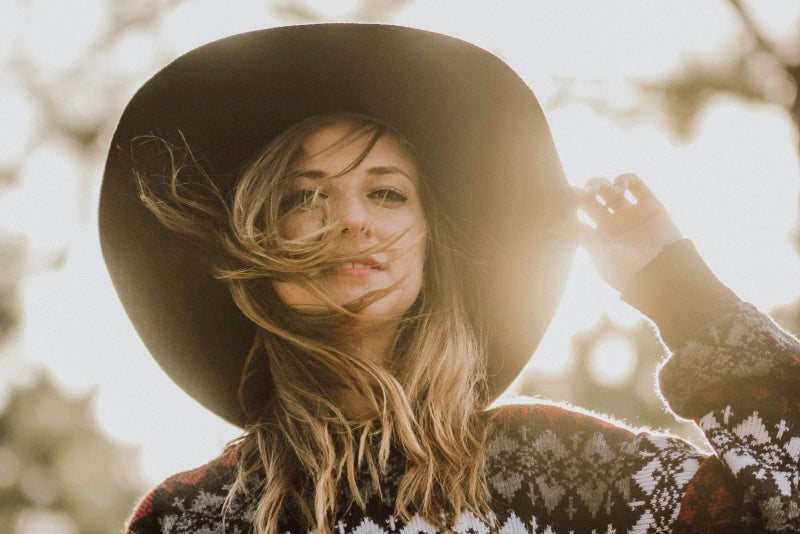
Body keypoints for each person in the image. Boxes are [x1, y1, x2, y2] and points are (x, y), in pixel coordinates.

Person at [99, 25, 799, 533]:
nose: (352, 220)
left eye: (386, 193)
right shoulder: (188, 518)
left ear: (434, 245)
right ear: (257, 237)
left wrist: (683, 296)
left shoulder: (568, 470)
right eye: (302, 197)